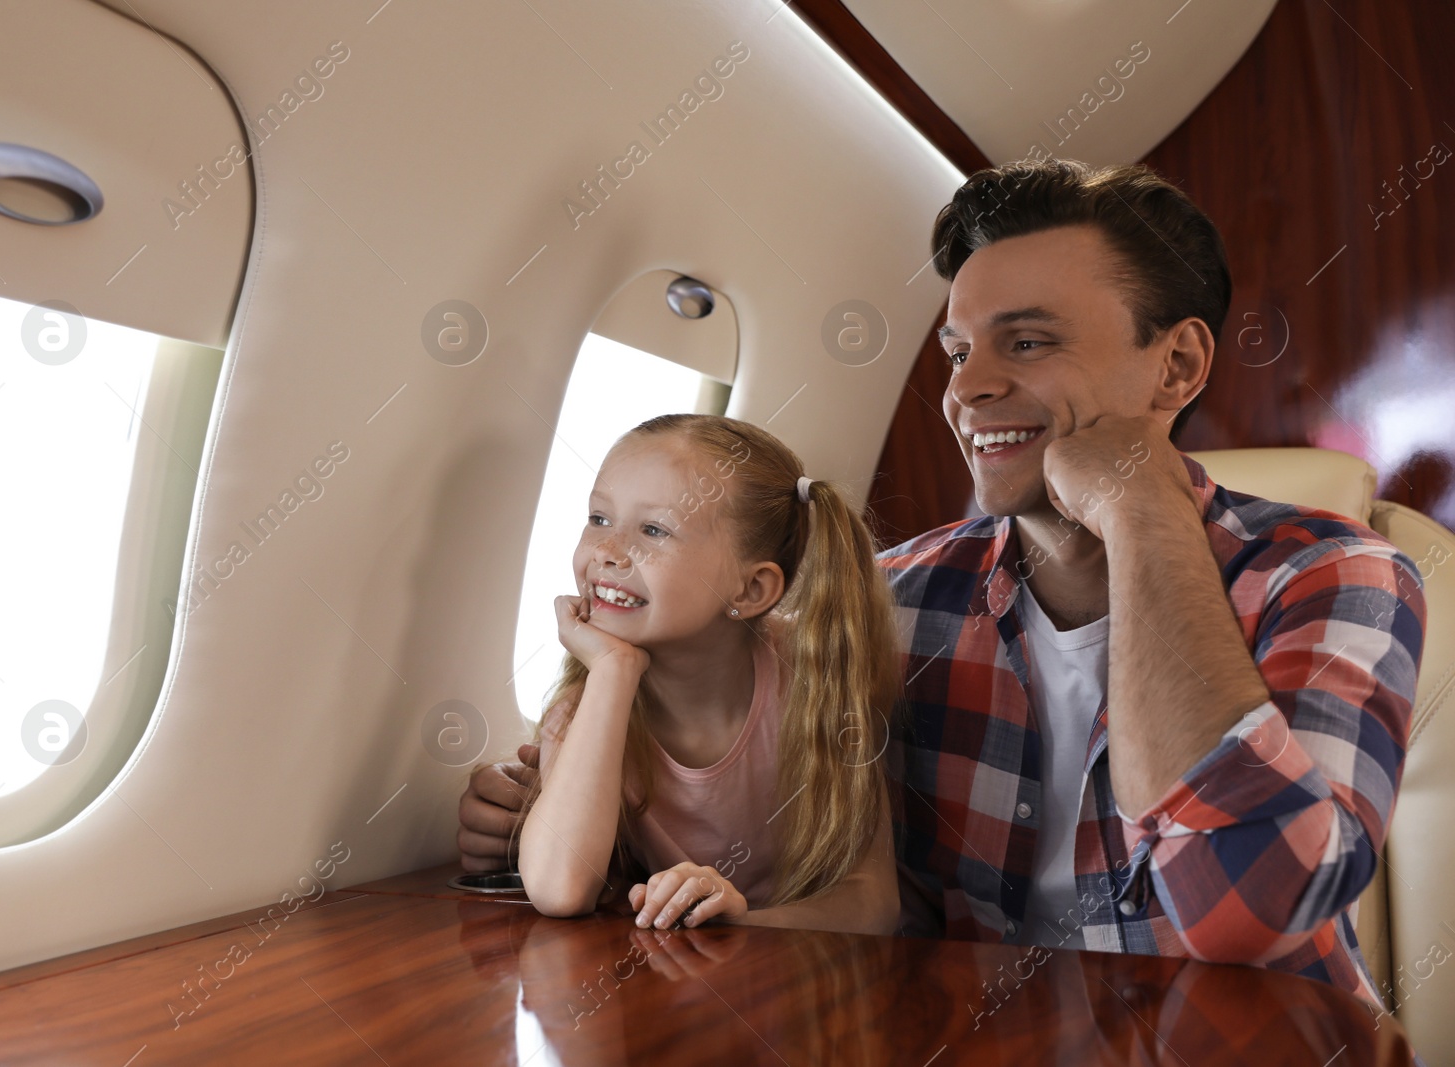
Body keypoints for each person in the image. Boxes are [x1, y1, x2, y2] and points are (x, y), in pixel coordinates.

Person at [460, 160, 1427, 1015]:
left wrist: (1142, 516)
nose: (966, 391)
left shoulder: (1336, 576)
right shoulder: (886, 602)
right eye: (960, 353)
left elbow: (1251, 915)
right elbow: (796, 833)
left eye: (1029, 342)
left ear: (1176, 365)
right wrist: (538, 810)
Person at [514, 413, 902, 935]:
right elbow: (560, 889)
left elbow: (872, 902)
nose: (606, 552)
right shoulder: (587, 711)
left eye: (653, 530)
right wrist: (612, 669)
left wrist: (742, 924)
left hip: (799, 971)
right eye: (599, 519)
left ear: (750, 591)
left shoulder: (816, 681)